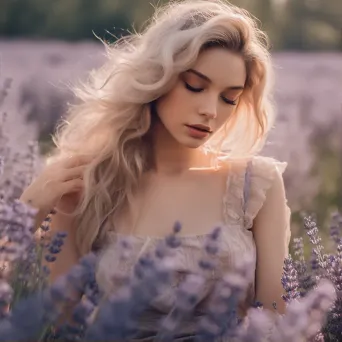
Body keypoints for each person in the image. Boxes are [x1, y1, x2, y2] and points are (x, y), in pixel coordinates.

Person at [20, 0, 291, 339]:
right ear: (158, 77)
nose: (210, 110)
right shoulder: (93, 183)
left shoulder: (255, 186)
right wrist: (27, 212)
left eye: (229, 98)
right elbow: (56, 325)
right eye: (195, 85)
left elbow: (277, 322)